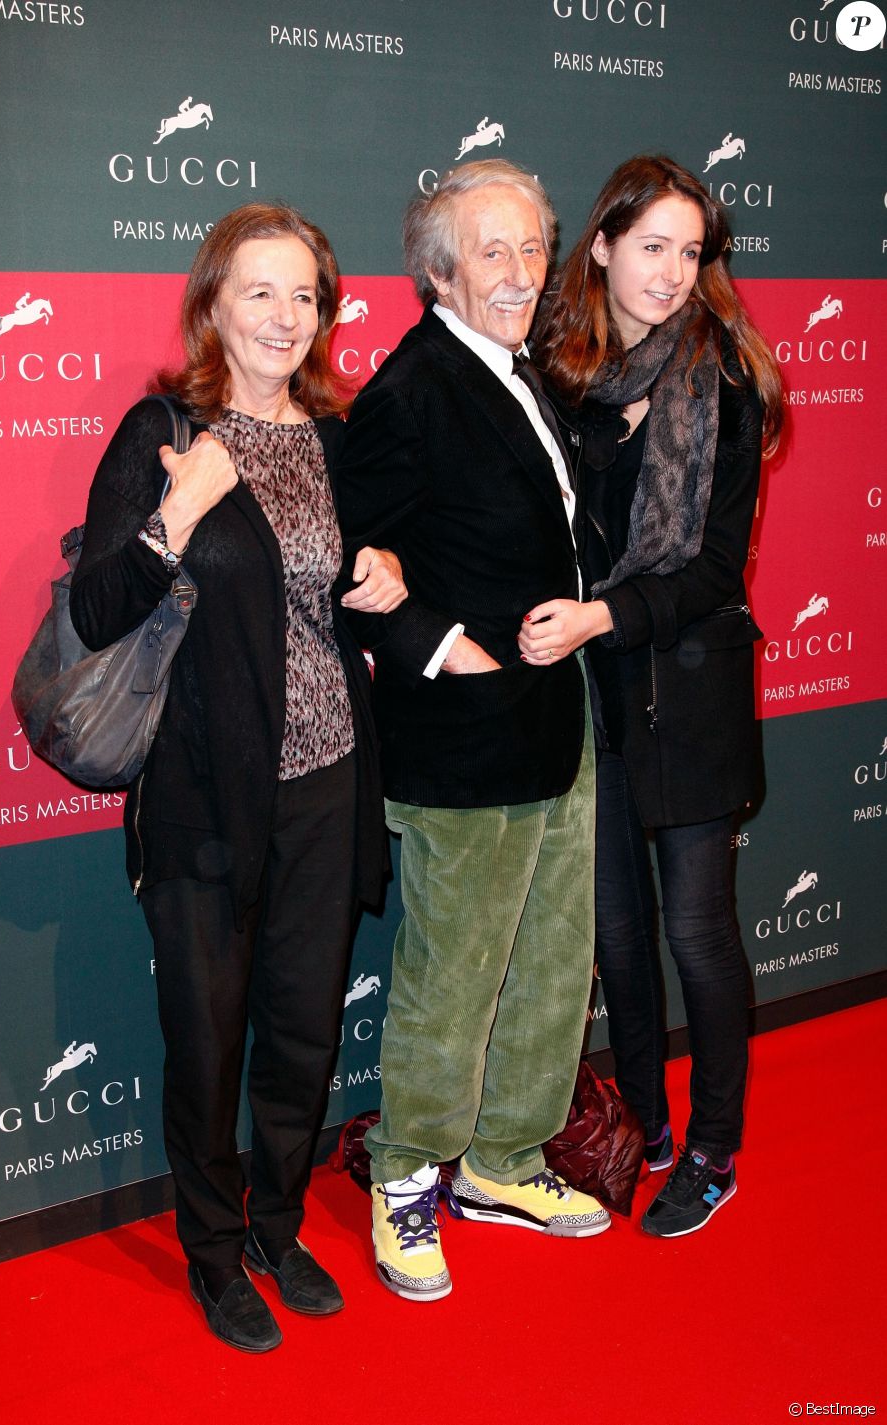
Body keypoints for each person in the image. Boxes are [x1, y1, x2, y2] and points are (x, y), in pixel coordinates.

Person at [69, 203, 406, 1350]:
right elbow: (98, 609)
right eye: (258, 291)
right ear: (213, 303)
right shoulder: (162, 429)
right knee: (208, 1038)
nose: (282, 315)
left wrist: (384, 570)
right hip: (205, 798)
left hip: (328, 784)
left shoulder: (333, 436)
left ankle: (274, 1227)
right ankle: (212, 1254)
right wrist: (176, 511)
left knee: (303, 1030)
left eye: (304, 294)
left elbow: (357, 575)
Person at [334, 159, 611, 1305]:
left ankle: (501, 1160)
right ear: (438, 270)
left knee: (550, 968)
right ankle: (405, 1172)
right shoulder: (412, 389)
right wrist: (446, 643)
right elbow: (346, 562)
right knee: (453, 982)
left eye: (530, 248)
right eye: (488, 250)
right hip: (461, 741)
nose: (516, 271)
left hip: (554, 721)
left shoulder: (521, 373)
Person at [531, 155, 783, 1237]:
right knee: (617, 938)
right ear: (599, 246)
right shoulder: (556, 377)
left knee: (692, 932)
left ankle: (713, 1151)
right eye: (651, 247)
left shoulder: (720, 378)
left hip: (689, 692)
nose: (672, 273)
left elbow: (713, 570)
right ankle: (647, 1121)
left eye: (690, 253)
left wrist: (602, 616)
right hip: (586, 696)